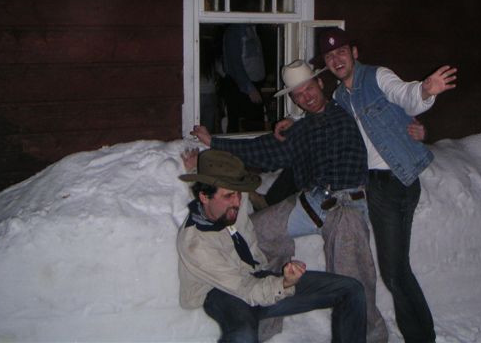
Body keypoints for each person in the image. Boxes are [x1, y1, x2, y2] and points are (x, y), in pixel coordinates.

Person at [276, 28, 456, 343]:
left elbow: (405, 96)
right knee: (393, 269)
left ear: (354, 53)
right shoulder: (339, 97)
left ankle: (421, 337)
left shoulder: (377, 77)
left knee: (395, 271)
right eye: (330, 56)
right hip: (369, 183)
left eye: (341, 52)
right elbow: (323, 118)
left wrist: (426, 91)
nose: (336, 59)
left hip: (393, 181)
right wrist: (293, 123)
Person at [191, 60, 389, 343]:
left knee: (352, 278)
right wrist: (215, 143)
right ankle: (265, 322)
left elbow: (384, 107)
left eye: (309, 88)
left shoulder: (347, 109)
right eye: (298, 94)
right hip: (313, 201)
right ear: (294, 99)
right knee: (256, 232)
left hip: (347, 207)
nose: (306, 97)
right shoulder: (303, 128)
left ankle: (371, 337)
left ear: (320, 83)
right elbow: (264, 151)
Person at [177, 149, 366, 343]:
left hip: (256, 276)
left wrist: (196, 169)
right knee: (242, 335)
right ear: (204, 197)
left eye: (238, 194)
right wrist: (284, 284)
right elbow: (244, 288)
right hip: (222, 292)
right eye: (229, 196)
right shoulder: (196, 244)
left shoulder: (225, 202)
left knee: (351, 289)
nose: (237, 202)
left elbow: (214, 188)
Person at [220, 24, 266, 132]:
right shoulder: (235, 30)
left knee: (256, 127)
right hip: (240, 87)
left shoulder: (252, 29)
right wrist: (250, 89)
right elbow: (234, 63)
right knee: (242, 129)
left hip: (252, 85)